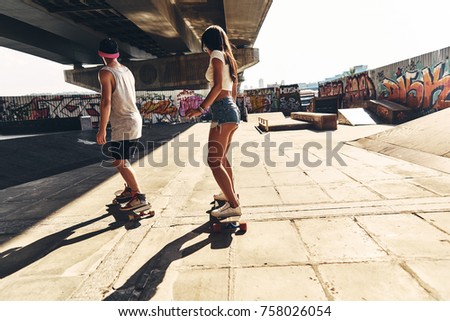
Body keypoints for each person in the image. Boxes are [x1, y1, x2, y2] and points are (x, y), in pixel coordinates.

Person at [185, 25, 241, 218]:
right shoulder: (229, 58)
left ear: (207, 43)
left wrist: (201, 108)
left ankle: (233, 204)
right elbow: (233, 90)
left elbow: (217, 86)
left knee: (213, 160)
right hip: (230, 111)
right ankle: (230, 195)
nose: (206, 50)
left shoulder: (216, 54)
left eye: (204, 46)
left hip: (223, 111)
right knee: (222, 158)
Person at [96, 38, 149, 211]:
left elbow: (106, 102)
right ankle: (129, 190)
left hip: (123, 123)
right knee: (122, 158)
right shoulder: (126, 70)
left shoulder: (105, 72)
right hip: (134, 120)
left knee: (119, 161)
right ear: (116, 53)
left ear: (101, 54)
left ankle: (139, 196)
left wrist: (102, 129)